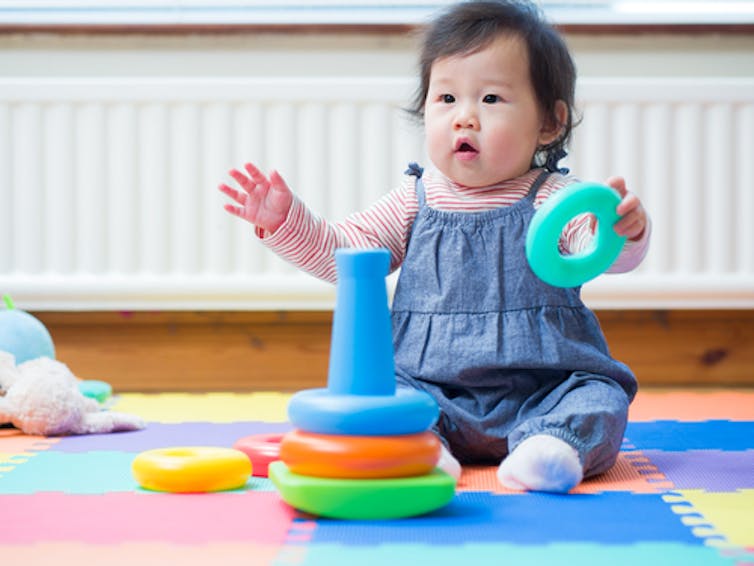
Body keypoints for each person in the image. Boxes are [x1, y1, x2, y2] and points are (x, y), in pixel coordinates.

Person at [218, 0, 650, 493]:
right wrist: (286, 221)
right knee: (391, 399)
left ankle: (549, 449)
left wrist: (623, 231)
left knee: (601, 397)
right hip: (433, 390)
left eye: (490, 99)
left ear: (549, 123)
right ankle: (425, 451)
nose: (465, 118)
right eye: (446, 99)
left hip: (546, 385)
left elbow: (597, 251)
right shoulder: (414, 199)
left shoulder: (556, 198)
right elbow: (347, 255)